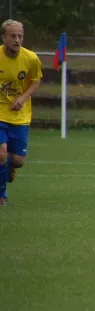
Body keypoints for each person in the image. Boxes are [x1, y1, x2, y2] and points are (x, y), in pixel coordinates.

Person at [0, 20, 43, 206]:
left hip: (20, 115)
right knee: (1, 154)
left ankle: (9, 167)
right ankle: (2, 196)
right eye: (12, 36)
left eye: (20, 36)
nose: (17, 40)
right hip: (0, 113)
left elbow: (36, 80)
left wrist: (23, 98)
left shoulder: (31, 59)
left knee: (17, 160)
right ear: (3, 37)